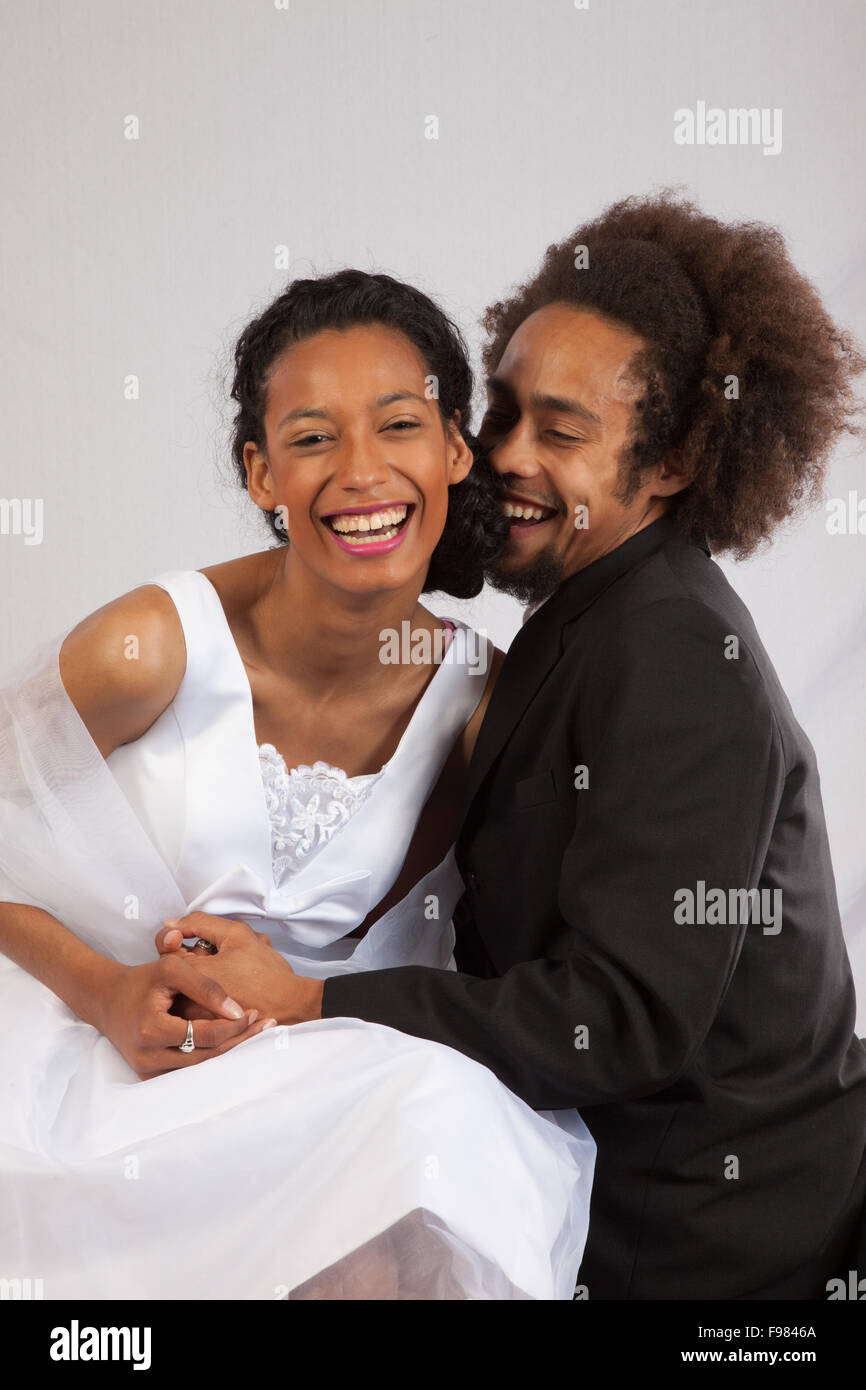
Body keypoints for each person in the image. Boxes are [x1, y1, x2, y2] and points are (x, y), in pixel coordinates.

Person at [217, 194, 866, 1299]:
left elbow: (610, 1023)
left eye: (560, 434)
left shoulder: (671, 660)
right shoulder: (588, 612)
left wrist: (313, 1001)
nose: (505, 458)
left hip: (713, 1252)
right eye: (500, 414)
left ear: (666, 466)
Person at [0, 270, 596, 1301]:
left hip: (316, 1072)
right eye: (313, 437)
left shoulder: (476, 705)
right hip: (92, 1061)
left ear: (455, 449)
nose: (361, 474)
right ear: (259, 470)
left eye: (398, 425)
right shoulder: (149, 650)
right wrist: (106, 993)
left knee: (431, 1125)